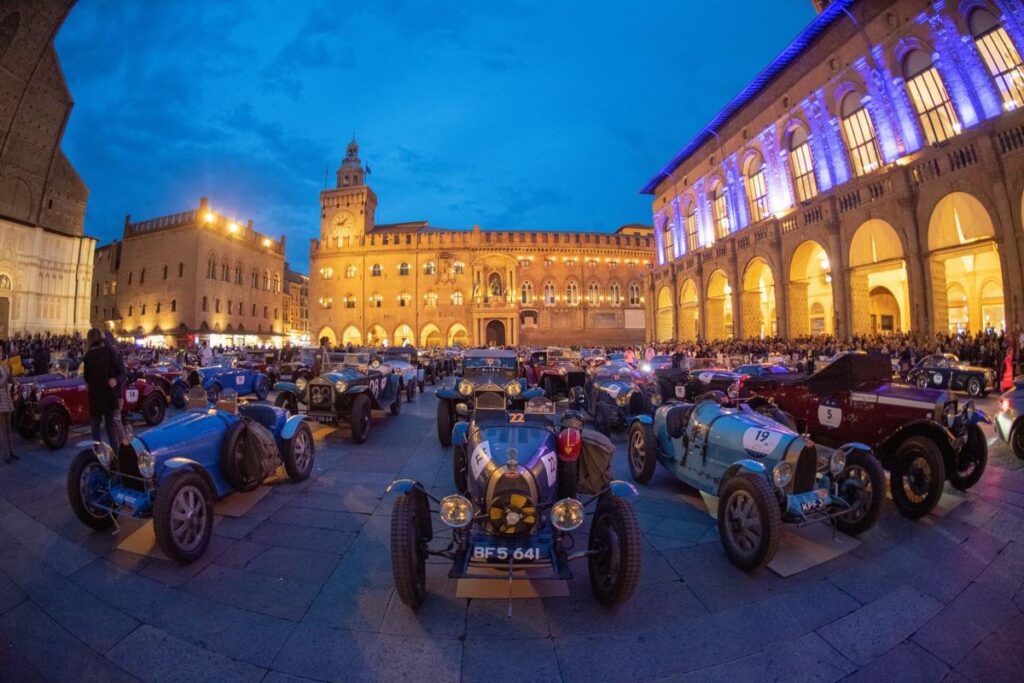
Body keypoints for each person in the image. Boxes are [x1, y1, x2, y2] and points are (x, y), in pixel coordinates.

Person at [83, 328, 126, 450]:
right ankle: (117, 457)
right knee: (110, 430)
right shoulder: (110, 352)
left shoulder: (88, 356)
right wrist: (115, 381)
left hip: (95, 396)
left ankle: (98, 458)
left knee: (96, 432)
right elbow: (122, 373)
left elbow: (86, 377)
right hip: (108, 395)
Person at [0, 349, 16, 463]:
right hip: (0, 402)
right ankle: (6, 455)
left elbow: (9, 381)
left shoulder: (3, 367)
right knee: (3, 431)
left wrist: (10, 371)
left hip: (6, 400)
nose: (1, 354)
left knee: (9, 429)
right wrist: (6, 376)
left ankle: (11, 452)